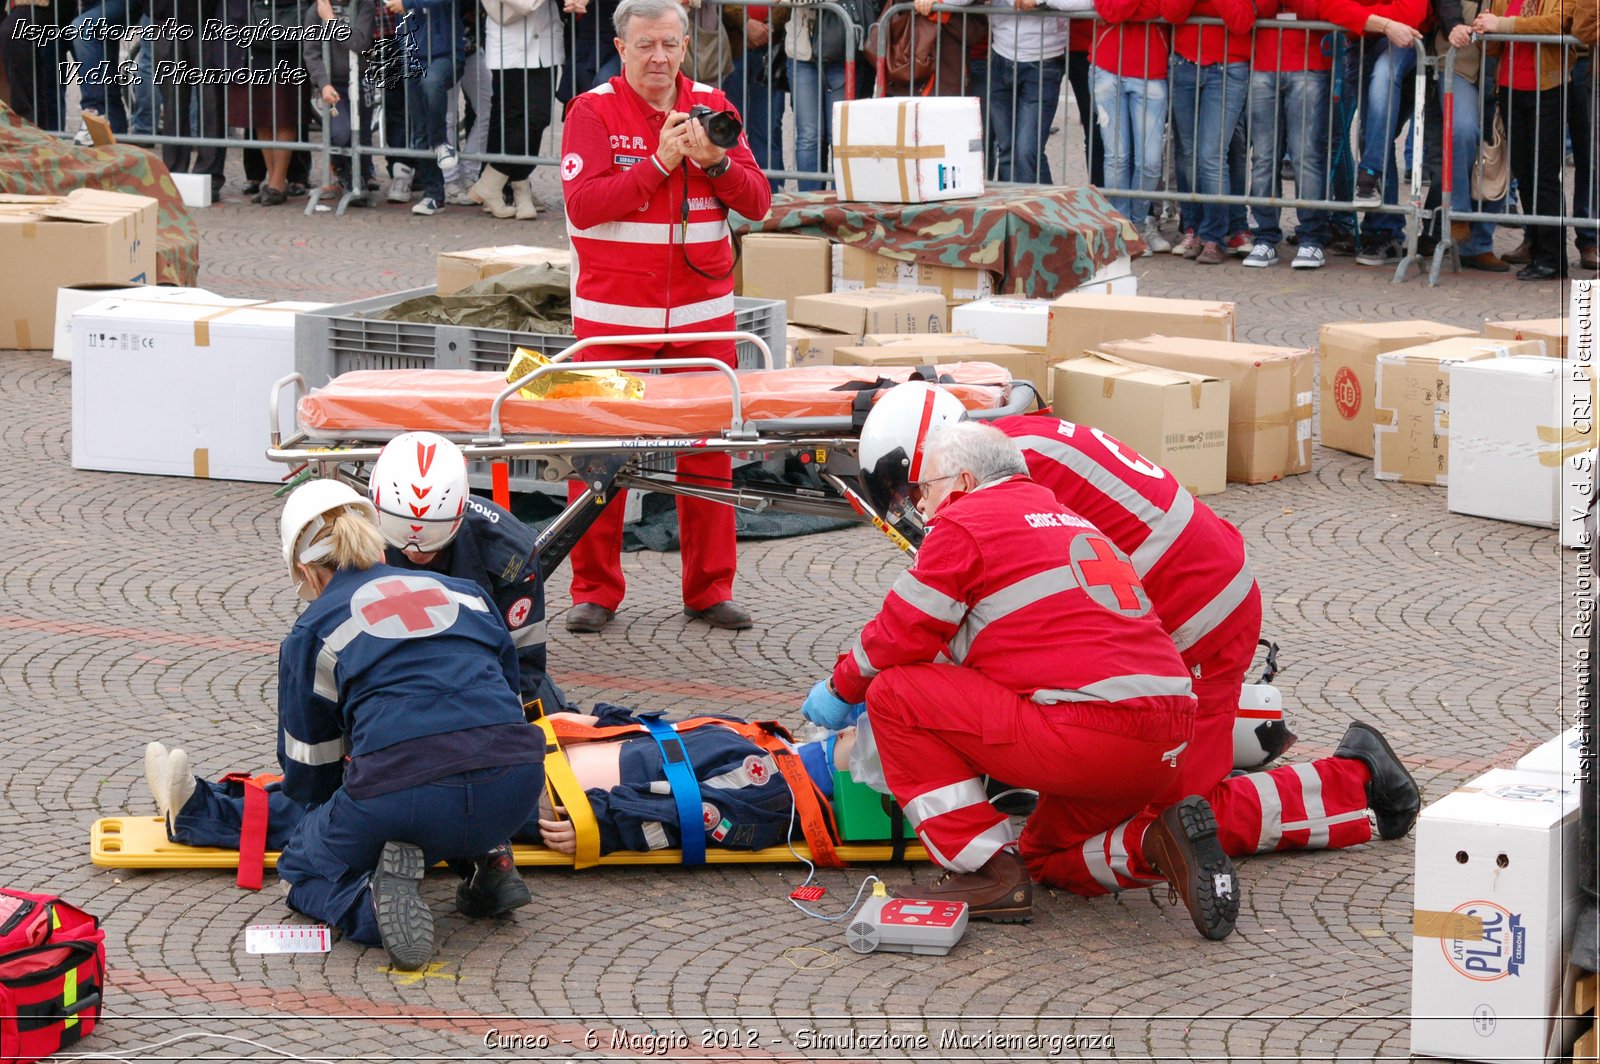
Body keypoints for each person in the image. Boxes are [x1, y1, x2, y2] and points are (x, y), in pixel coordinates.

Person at [852, 385, 1422, 904]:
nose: (917, 507)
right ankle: (1345, 781)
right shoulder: (1017, 447)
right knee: (1085, 821)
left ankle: (1357, 782)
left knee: (1178, 808)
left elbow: (977, 621)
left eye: (913, 489)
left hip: (1190, 624)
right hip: (1197, 602)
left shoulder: (995, 482)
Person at [807, 416, 1241, 940]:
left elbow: (902, 632)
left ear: (964, 483)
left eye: (925, 490)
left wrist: (838, 689)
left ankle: (987, 868)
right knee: (1045, 855)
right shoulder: (1072, 520)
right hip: (1167, 744)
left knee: (895, 694)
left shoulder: (967, 523)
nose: (919, 506)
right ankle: (1156, 842)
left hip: (1088, 734)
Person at [150, 480, 546, 971]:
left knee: (301, 864)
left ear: (305, 571)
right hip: (516, 787)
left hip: (407, 796)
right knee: (465, 771)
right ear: (380, 540)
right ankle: (493, 865)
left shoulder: (314, 628)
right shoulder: (466, 595)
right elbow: (508, 693)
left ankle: (372, 909)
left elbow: (311, 773)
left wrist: (351, 809)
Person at [558, 0, 772, 634]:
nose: (659, 58)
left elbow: (758, 202)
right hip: (614, 318)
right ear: (621, 47)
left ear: (686, 47)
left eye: (670, 45)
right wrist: (658, 163)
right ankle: (594, 590)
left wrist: (713, 161)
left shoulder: (715, 104)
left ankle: (709, 589)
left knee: (708, 453)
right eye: (646, 45)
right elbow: (585, 203)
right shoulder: (592, 110)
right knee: (600, 456)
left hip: (704, 318)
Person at [367, 432, 566, 718]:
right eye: (401, 537)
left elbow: (523, 663)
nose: (415, 553)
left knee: (543, 721)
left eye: (433, 537)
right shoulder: (352, 538)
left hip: (483, 672)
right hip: (384, 674)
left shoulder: (510, 556)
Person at [521, 705, 852, 855]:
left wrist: (603, 824)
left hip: (549, 796)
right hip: (543, 750)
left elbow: (686, 816)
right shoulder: (764, 743)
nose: (854, 728)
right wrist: (591, 724)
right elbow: (664, 733)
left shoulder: (769, 791)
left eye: (859, 735)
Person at [1319, 0, 1426, 266]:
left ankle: (1373, 191)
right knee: (1373, 135)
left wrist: (1363, 18)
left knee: (1382, 90)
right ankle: (1382, 231)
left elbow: (1411, 13)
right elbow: (1331, 7)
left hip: (1403, 45)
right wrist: (1386, 24)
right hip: (1362, 46)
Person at [1474, 0, 1575, 280]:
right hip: (1509, 85)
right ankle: (1537, 246)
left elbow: (1558, 23)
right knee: (1524, 173)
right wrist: (1485, 27)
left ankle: (1553, 258)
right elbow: (1494, 29)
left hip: (1548, 88)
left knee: (1544, 175)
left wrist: (1502, 24)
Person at [1160, 0, 1255, 264]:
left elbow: (1241, 21)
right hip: (1184, 65)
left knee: (1211, 154)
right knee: (1187, 153)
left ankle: (1213, 235)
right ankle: (1193, 227)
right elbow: (1170, 13)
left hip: (1228, 68)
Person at [1242, 0, 1334, 269]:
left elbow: (1314, 9)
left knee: (1306, 157)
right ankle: (1265, 236)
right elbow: (1256, 8)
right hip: (1264, 63)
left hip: (1308, 65)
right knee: (1263, 158)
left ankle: (1312, 238)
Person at [466, 0, 565, 219]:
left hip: (544, 39)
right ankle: (521, 192)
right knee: (512, 118)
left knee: (538, 118)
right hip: (508, 43)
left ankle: (491, 181)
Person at [1091, 0, 1172, 254]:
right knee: (1117, 157)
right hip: (1108, 68)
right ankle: (1123, 229)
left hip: (1152, 69)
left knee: (1149, 163)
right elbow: (1109, 10)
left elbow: (1168, 10)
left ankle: (1135, 225)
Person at [302, 0, 377, 198]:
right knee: (340, 132)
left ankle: (361, 176)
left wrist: (331, 21)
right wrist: (323, 83)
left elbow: (360, 42)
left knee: (362, 133)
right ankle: (342, 172)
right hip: (332, 84)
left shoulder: (364, 5)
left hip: (360, 78)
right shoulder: (316, 9)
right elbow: (311, 52)